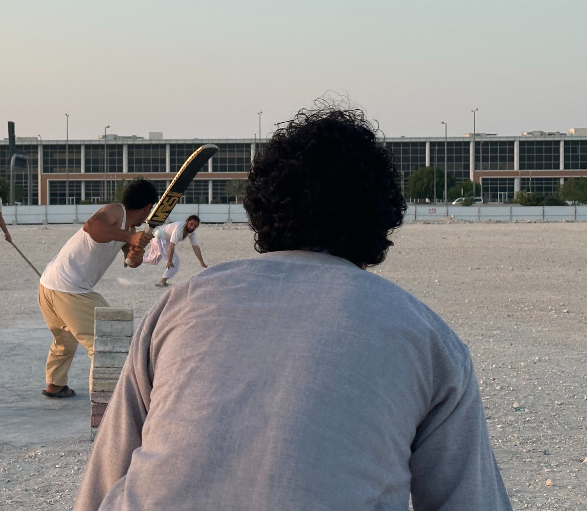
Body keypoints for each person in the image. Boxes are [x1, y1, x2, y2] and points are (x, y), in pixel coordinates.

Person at [75, 105, 512, 510]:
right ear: (381, 220)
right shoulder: (427, 338)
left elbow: (101, 486)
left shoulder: (180, 307)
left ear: (261, 210)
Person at [39, 179, 158, 399]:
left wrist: (136, 253)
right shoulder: (116, 211)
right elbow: (92, 226)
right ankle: (106, 400)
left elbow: (130, 262)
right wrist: (130, 237)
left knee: (64, 338)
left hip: (49, 284)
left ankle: (55, 384)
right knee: (107, 339)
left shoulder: (130, 228)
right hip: (69, 288)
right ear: (148, 207)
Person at [142, 214, 207, 287]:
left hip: (162, 240)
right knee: (175, 261)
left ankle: (133, 259)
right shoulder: (179, 228)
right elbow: (172, 245)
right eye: (191, 224)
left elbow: (195, 247)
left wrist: (201, 261)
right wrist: (169, 261)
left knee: (153, 260)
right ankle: (162, 282)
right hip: (160, 238)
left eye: (195, 226)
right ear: (187, 221)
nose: (192, 227)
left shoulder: (192, 232)